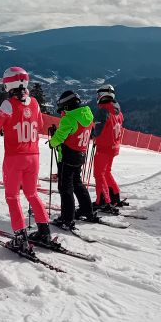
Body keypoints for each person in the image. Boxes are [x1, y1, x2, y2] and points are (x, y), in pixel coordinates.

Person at [0, 66, 51, 249]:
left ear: (8, 84)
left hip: (15, 158)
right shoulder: (35, 102)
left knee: (13, 197)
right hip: (33, 155)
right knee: (32, 193)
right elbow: (39, 125)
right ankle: (45, 231)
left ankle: (21, 238)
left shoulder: (8, 104)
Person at [48, 90, 97, 228]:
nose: (62, 112)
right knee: (77, 184)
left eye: (63, 108)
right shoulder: (87, 116)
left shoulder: (69, 119)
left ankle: (67, 219)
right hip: (80, 156)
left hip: (67, 157)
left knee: (65, 188)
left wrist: (52, 141)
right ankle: (87, 210)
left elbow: (59, 139)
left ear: (67, 106)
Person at [90, 84, 124, 214]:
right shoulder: (117, 111)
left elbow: (98, 129)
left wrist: (92, 135)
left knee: (99, 174)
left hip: (104, 147)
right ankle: (115, 196)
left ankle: (103, 201)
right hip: (114, 146)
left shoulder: (103, 110)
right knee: (106, 172)